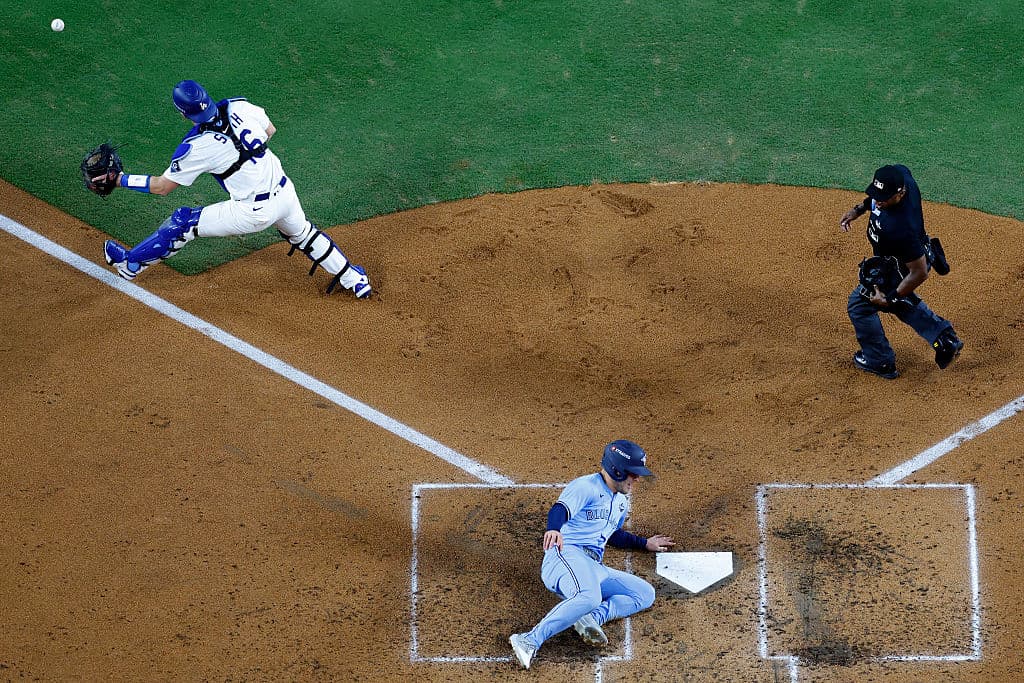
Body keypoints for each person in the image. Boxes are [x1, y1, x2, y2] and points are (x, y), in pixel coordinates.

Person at [99, 80, 371, 298]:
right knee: (304, 234)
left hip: (253, 211)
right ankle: (355, 280)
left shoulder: (196, 147)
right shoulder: (239, 106)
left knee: (184, 222)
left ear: (183, 113)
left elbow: (161, 187)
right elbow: (270, 130)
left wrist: (119, 179)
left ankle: (130, 265)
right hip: (285, 192)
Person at [508, 440, 674, 670]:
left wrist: (644, 543)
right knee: (589, 595)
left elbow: (612, 535)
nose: (637, 479)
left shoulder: (620, 503)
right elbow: (561, 509)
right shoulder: (586, 486)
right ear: (617, 469)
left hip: (592, 566)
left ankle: (591, 618)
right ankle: (529, 639)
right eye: (633, 474)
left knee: (644, 594)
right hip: (565, 556)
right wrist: (554, 529)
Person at [838, 164, 963, 379]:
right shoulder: (902, 177)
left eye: (884, 197)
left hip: (900, 265)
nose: (878, 200)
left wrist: (890, 297)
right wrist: (858, 210)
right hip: (899, 256)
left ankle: (880, 361)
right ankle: (944, 339)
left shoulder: (901, 228)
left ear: (901, 193)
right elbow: (876, 198)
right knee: (899, 302)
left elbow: (920, 271)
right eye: (876, 194)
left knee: (860, 305)